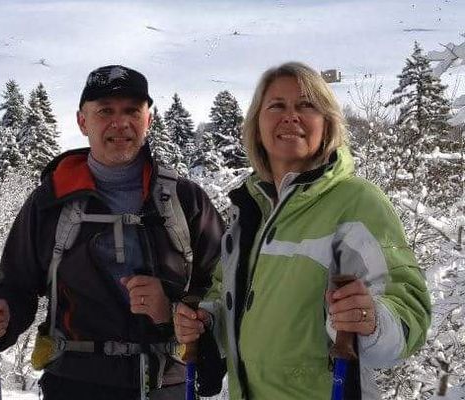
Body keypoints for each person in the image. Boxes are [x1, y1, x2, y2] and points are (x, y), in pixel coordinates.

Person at [173, 62, 432, 400]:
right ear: (257, 126)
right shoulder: (248, 211)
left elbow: (409, 315)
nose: (290, 116)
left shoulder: (357, 202)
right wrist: (204, 322)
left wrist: (372, 320)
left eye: (306, 105)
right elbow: (227, 301)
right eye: (277, 105)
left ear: (326, 125)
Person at [0, 65, 224, 400]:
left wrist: (174, 310)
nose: (120, 123)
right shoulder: (51, 200)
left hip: (166, 383)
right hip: (73, 383)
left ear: (149, 120)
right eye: (105, 111)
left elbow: (225, 288)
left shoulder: (185, 200)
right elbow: (16, 283)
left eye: (132, 110)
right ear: (82, 121)